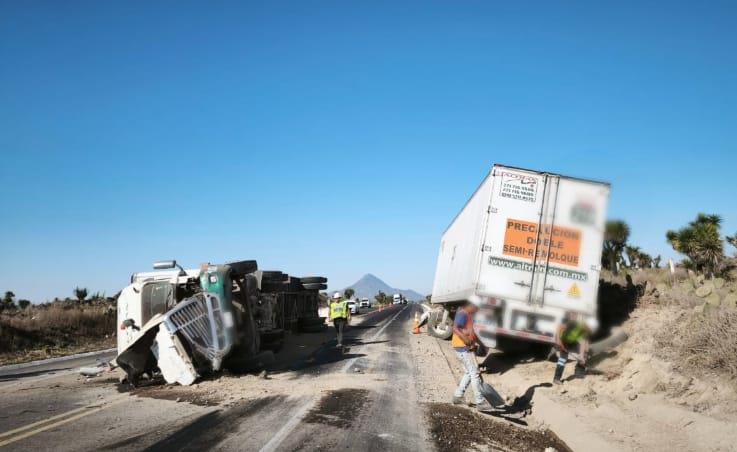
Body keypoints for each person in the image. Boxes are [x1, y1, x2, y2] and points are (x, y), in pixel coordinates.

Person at [451, 295, 493, 412]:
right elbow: (455, 328)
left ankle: (458, 396)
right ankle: (480, 402)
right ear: (472, 305)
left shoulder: (469, 315)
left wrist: (480, 343)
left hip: (464, 347)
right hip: (463, 347)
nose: (477, 310)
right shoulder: (462, 313)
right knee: (475, 373)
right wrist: (465, 339)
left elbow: (472, 332)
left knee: (469, 372)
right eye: (477, 307)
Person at [553, 312, 593, 384]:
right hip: (564, 341)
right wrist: (559, 342)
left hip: (573, 342)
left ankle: (579, 372)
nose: (574, 317)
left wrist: (582, 355)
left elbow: (584, 343)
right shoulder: (568, 323)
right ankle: (556, 379)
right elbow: (559, 329)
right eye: (573, 316)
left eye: (575, 316)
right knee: (562, 360)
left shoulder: (582, 329)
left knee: (584, 354)